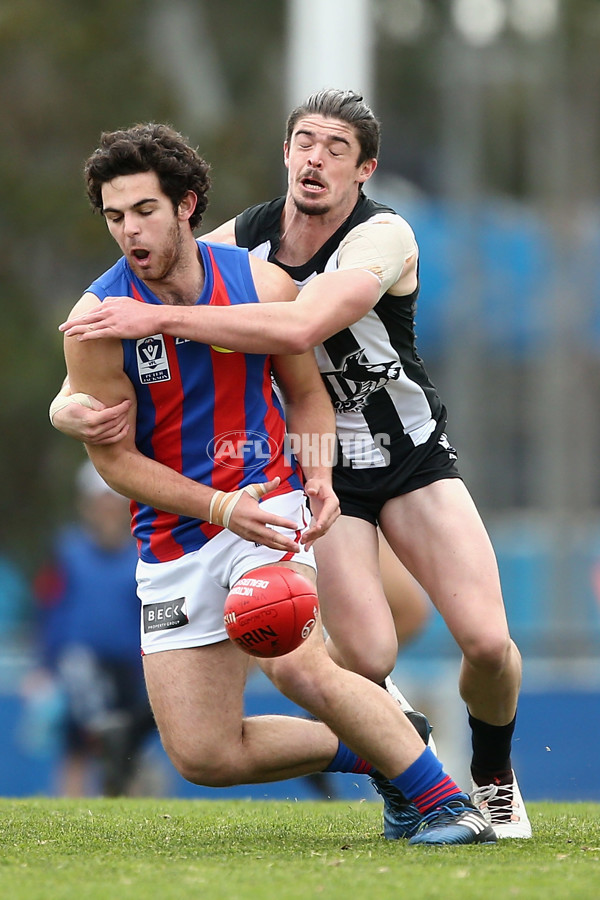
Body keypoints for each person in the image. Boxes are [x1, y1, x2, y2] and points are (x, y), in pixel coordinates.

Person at [55, 93, 532, 840]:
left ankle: (464, 793)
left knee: (421, 649)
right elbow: (114, 460)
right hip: (185, 531)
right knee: (207, 754)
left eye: (145, 211)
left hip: (360, 469)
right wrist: (65, 403)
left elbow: (302, 345)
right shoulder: (131, 301)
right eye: (116, 218)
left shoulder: (364, 241)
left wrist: (302, 477)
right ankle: (393, 748)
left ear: (185, 205)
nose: (130, 231)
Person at [29, 459, 157, 796]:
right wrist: (44, 666)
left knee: (130, 748)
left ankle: (134, 817)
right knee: (77, 748)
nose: (107, 511)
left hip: (131, 666)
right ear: (86, 506)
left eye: (114, 503)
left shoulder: (144, 554)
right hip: (80, 666)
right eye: (100, 503)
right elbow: (49, 611)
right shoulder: (66, 552)